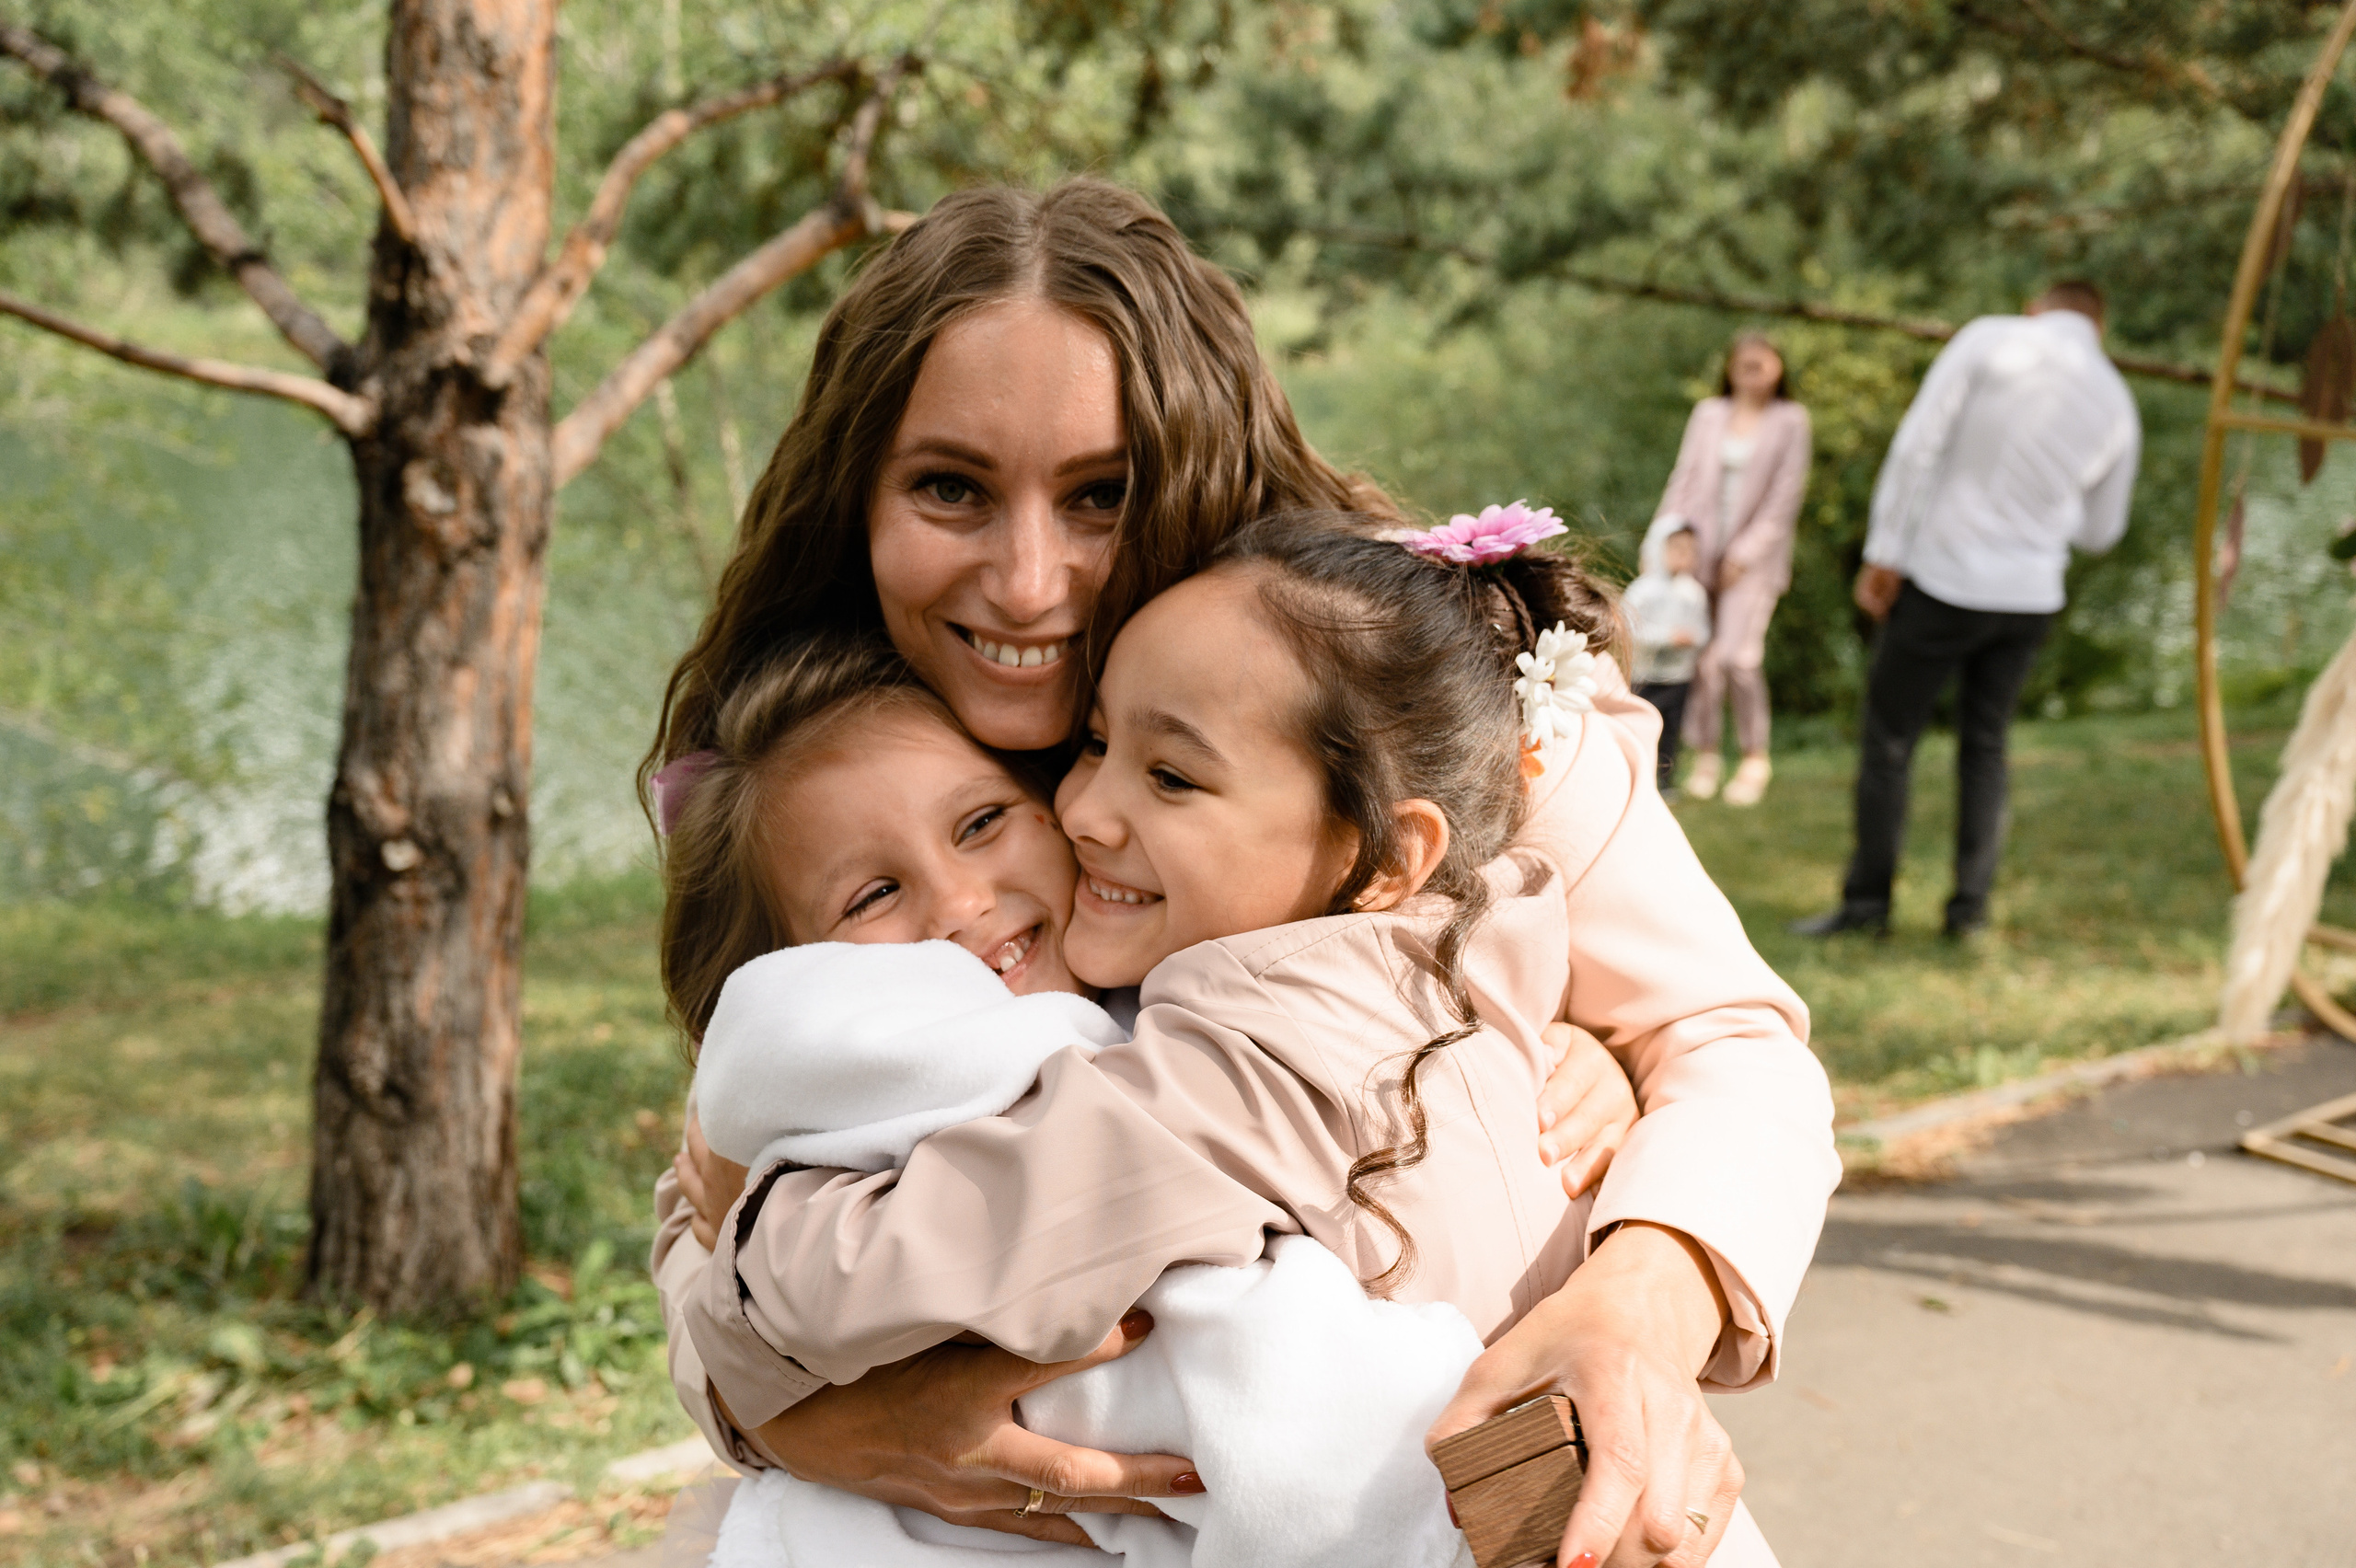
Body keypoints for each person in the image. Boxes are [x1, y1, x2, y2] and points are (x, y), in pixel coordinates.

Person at [648, 178, 1837, 1568]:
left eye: (1102, 495)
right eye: (951, 489)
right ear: (856, 495)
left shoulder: (1403, 692)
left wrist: (1639, 1294)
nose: (1031, 584)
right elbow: (737, 1159)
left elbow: (1730, 1041)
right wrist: (771, 1405)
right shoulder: (838, 769)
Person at [1793, 281, 2140, 940]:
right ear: (2100, 325)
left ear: (2038, 304)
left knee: (1891, 741)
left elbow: (1917, 446)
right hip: (2031, 595)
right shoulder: (2116, 398)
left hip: (1946, 579)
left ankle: (1869, 906)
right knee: (1987, 746)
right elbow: (2102, 532)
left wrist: (1883, 552)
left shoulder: (1990, 337)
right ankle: (1969, 913)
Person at [1641, 333, 1812, 807]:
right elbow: (1685, 478)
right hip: (1695, 552)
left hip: (1754, 561)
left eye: (1762, 364)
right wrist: (1661, 540)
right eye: (1744, 364)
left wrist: (1745, 554)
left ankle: (1755, 754)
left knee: (1737, 658)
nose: (1752, 372)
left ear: (1778, 368)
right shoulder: (1709, 414)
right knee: (1702, 658)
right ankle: (1709, 754)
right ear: (1731, 367)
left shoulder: (1790, 420)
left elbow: (1786, 495)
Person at [1623, 524, 1712, 795]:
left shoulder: (1693, 592)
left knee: (1670, 731)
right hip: (1644, 675)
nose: (1684, 555)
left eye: (1690, 550)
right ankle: (1636, 778)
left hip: (1677, 676)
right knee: (1639, 728)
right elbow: (1629, 628)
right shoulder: (1642, 591)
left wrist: (1692, 639)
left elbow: (1704, 630)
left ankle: (1665, 782)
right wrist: (1667, 638)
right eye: (1677, 548)